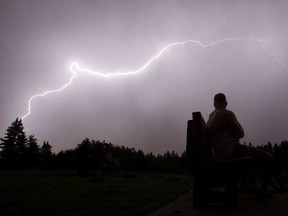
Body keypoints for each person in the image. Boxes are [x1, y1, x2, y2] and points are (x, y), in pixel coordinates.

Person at [207, 93, 283, 197]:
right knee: (269, 159)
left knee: (256, 158)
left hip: (221, 154)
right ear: (226, 103)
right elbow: (241, 134)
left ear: (214, 104)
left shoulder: (211, 116)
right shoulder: (227, 113)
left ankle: (273, 186)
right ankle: (264, 191)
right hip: (232, 151)